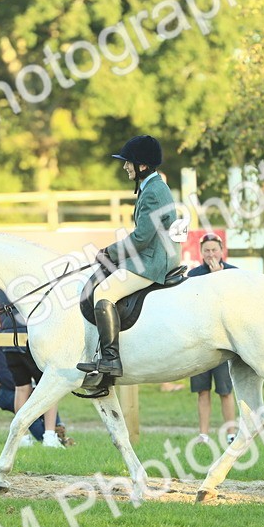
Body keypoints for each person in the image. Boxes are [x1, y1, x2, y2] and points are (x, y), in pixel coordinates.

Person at [77, 135, 180, 381]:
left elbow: (142, 237)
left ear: (142, 165)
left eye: (128, 163)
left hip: (154, 260)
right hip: (154, 253)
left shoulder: (153, 192)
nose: (125, 167)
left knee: (103, 294)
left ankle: (111, 359)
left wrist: (110, 252)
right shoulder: (153, 187)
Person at [0, 290, 68, 448]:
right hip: (29, 338)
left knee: (21, 388)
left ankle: (22, 438)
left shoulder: (2, 289)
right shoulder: (26, 282)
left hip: (9, 342)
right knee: (48, 388)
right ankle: (50, 436)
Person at [188, 233, 238, 445]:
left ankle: (231, 434)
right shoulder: (193, 275)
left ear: (221, 251)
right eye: (206, 250)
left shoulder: (233, 274)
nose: (211, 254)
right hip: (200, 342)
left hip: (224, 342)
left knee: (225, 391)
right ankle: (203, 435)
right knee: (202, 391)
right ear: (201, 252)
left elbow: (233, 306)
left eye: (214, 250)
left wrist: (219, 278)